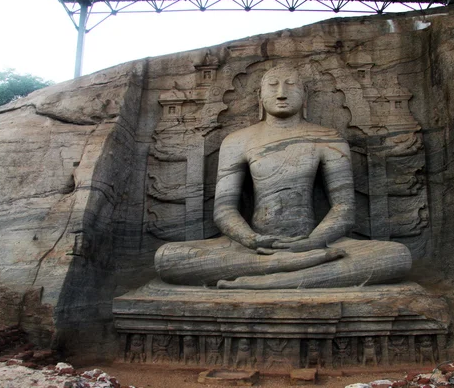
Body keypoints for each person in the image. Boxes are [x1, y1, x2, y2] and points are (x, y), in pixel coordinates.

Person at [154, 66, 411, 289]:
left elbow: (344, 208)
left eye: (291, 85)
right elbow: (224, 210)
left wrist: (312, 243)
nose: (281, 92)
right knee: (167, 257)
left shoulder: (328, 138)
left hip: (315, 244)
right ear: (260, 95)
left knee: (396, 256)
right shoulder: (237, 141)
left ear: (305, 95)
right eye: (273, 85)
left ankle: (265, 280)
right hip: (251, 248)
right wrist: (251, 239)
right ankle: (295, 270)